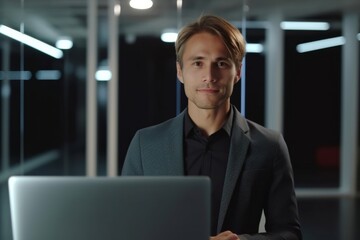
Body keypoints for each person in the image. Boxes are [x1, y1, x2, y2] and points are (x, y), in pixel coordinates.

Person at [121, 14, 302, 240]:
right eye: (198, 63)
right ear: (180, 71)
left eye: (222, 63)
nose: (209, 76)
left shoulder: (269, 145)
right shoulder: (145, 144)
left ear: (237, 72)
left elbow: (289, 234)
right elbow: (127, 228)